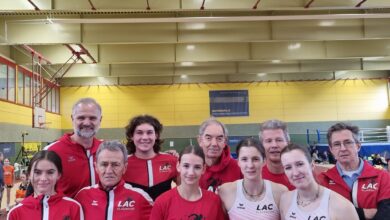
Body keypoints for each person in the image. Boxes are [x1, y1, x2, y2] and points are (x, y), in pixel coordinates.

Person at [318, 122, 390, 220]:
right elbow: (321, 213)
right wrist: (363, 213)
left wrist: (341, 214)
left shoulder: (383, 177)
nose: (343, 148)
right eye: (337, 144)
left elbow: (386, 215)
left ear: (358, 146)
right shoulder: (323, 180)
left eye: (348, 142)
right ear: (331, 149)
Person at [75, 140, 153, 220]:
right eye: (104, 164)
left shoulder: (140, 197)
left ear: (124, 168)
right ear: (96, 167)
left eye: (115, 165)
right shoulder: (83, 195)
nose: (109, 171)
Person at [280, 143, 358, 220]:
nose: (295, 173)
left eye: (300, 164)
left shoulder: (342, 206)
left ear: (312, 166)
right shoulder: (285, 200)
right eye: (288, 167)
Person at [45, 97, 103, 198]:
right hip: (66, 213)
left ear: (100, 120)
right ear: (72, 118)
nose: (86, 123)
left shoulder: (106, 150)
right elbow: (35, 194)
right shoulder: (52, 151)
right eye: (81, 118)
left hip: (101, 213)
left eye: (92, 118)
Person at [150, 145, 226, 219]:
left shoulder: (214, 201)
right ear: (178, 166)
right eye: (186, 166)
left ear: (203, 169)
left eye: (197, 167)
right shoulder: (162, 202)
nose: (191, 173)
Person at [219, 137, 287, 220]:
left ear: (264, 161)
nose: (250, 165)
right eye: (244, 159)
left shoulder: (280, 192)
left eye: (255, 159)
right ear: (238, 162)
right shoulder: (225, 191)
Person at [7, 150, 84, 219]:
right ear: (29, 175)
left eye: (50, 172)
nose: (43, 178)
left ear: (59, 175)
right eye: (37, 172)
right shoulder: (15, 213)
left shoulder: (73, 207)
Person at [123, 115, 178, 200]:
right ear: (131, 136)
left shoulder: (171, 160)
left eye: (149, 132)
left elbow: (185, 191)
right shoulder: (123, 164)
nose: (145, 137)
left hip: (164, 212)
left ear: (156, 135)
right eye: (139, 132)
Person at [197, 118, 242, 192]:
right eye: (208, 138)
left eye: (219, 139)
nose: (214, 143)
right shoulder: (192, 168)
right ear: (200, 141)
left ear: (225, 142)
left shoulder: (238, 167)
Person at [259, 119, 295, 190]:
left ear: (288, 143)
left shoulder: (301, 176)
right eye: (268, 141)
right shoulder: (255, 176)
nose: (274, 145)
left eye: (279, 140)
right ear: (261, 146)